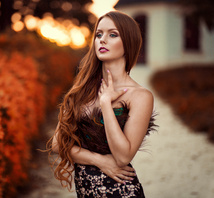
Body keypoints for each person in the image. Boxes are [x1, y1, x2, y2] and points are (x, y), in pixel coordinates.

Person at [49, 11, 157, 198]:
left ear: (129, 42)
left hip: (121, 191)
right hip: (85, 192)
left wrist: (106, 103)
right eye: (99, 34)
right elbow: (58, 144)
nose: (102, 40)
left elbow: (123, 157)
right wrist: (99, 160)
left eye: (112, 34)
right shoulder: (81, 89)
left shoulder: (140, 96)